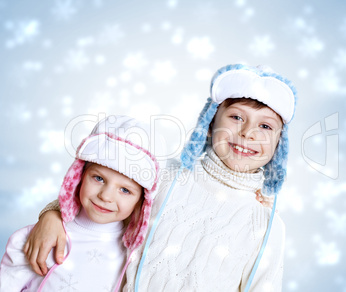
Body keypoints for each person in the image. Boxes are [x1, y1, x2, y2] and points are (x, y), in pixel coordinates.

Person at [23, 64, 298, 291]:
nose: (248, 132)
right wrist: (52, 216)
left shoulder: (266, 223)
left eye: (265, 125)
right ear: (211, 123)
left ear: (279, 142)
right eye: (236, 117)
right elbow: (99, 201)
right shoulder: (165, 176)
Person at [0, 115, 163, 292]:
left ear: (142, 201)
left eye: (125, 190)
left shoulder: (137, 255)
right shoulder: (42, 237)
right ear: (79, 176)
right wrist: (52, 214)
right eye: (98, 178)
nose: (106, 196)